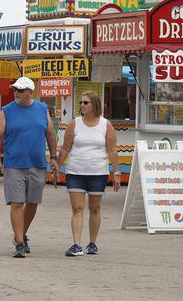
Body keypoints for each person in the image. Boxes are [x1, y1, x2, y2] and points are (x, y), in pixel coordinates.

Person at [0, 77, 59, 258]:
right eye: (15, 89)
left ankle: (20, 234)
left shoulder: (42, 109)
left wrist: (53, 158)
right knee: (17, 203)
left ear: (30, 91)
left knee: (33, 203)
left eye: (20, 90)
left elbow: (50, 134)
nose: (16, 92)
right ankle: (20, 243)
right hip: (14, 164)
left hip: (37, 163)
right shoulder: (6, 111)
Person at [56, 91, 119, 257]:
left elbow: (112, 150)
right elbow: (65, 148)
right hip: (75, 171)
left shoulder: (106, 125)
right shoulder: (74, 124)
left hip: (98, 172)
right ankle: (76, 244)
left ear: (95, 105)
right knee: (77, 208)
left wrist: (117, 172)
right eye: (81, 103)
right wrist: (56, 168)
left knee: (95, 208)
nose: (82, 105)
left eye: (86, 102)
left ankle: (92, 242)